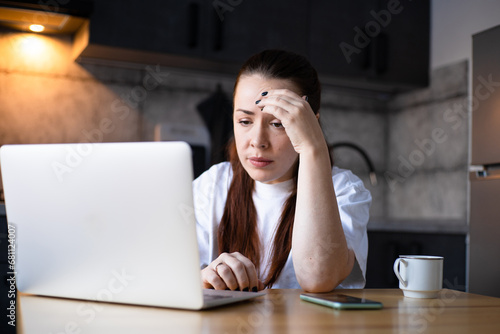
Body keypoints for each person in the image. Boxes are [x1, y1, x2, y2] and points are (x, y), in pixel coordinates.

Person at [193, 49, 371, 293]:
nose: (258, 141)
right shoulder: (213, 184)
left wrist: (311, 147)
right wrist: (203, 278)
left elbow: (318, 277)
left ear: (309, 125)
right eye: (245, 121)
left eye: (278, 123)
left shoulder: (344, 190)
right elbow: (164, 270)